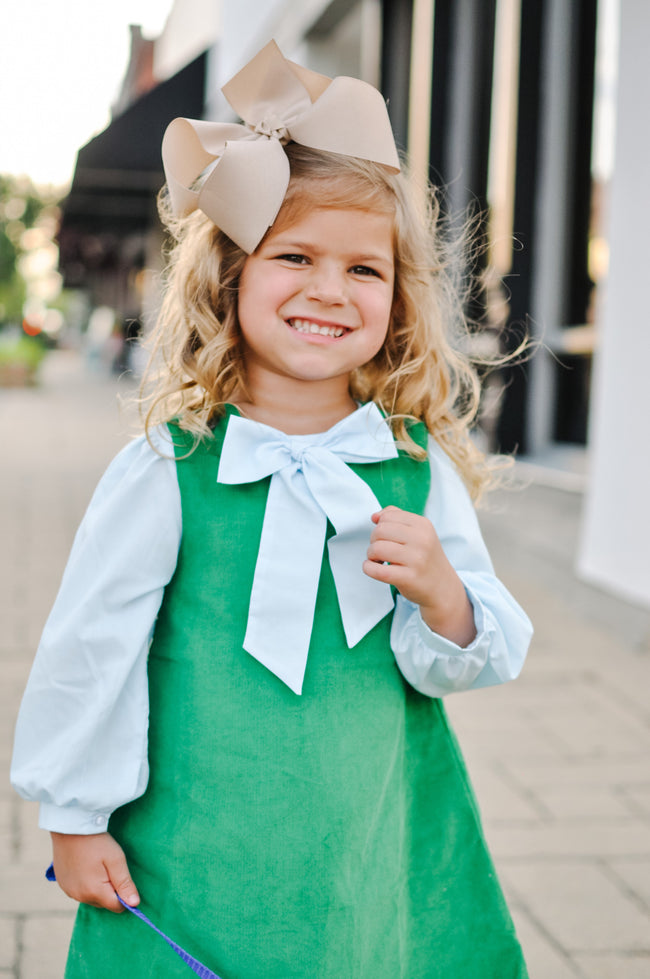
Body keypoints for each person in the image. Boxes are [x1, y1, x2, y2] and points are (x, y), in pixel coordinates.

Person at [11, 40, 533, 978]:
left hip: (374, 833)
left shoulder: (413, 469)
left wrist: (444, 595)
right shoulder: (171, 468)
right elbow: (92, 645)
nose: (330, 289)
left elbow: (465, 653)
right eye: (295, 255)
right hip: (199, 837)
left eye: (364, 270)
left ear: (399, 299)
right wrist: (75, 813)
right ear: (230, 278)